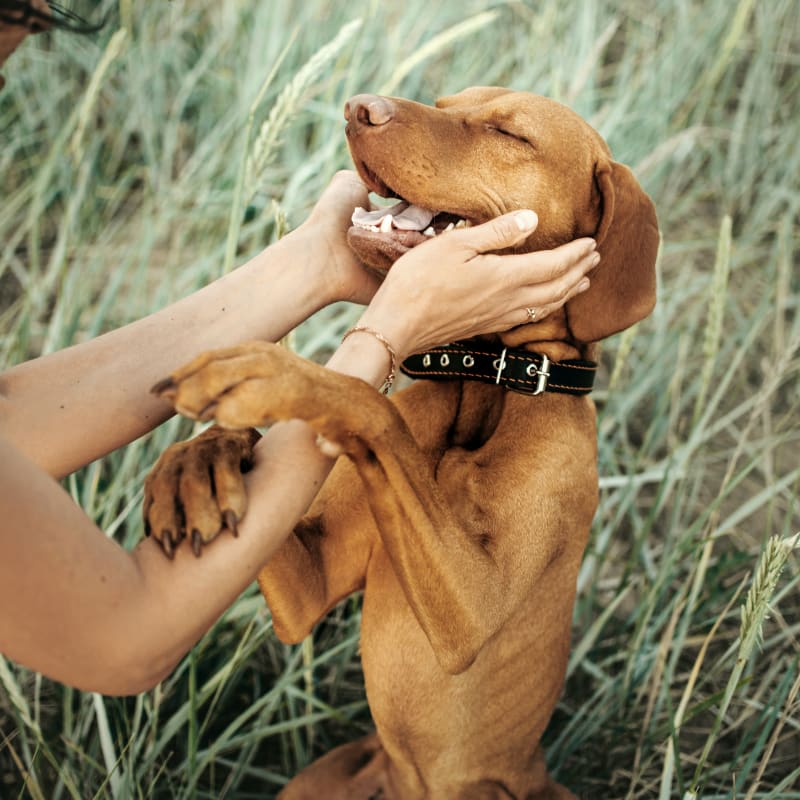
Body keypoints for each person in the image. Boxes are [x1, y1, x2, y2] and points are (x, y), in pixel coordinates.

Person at [0, 2, 599, 696]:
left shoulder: (554, 452)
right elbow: (128, 639)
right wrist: (377, 346)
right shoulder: (410, 410)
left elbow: (7, 417)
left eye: (503, 134)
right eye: (13, 39)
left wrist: (321, 263)